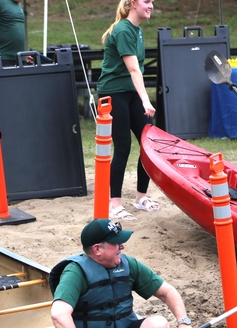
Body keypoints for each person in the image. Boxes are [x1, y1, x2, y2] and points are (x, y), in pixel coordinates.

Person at [49, 218, 196, 328]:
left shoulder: (128, 264)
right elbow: (58, 314)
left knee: (159, 324)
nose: (122, 246)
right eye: (116, 243)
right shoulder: (75, 272)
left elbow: (167, 292)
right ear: (97, 249)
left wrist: (184, 323)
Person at [97, 0, 159, 222]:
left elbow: (136, 71)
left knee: (148, 144)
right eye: (146, 1)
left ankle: (141, 197)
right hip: (113, 93)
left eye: (152, 1)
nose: (151, 5)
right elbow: (133, 69)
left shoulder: (137, 30)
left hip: (131, 92)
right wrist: (146, 100)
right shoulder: (123, 29)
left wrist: (141, 98)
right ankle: (115, 204)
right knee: (123, 146)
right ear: (132, 4)